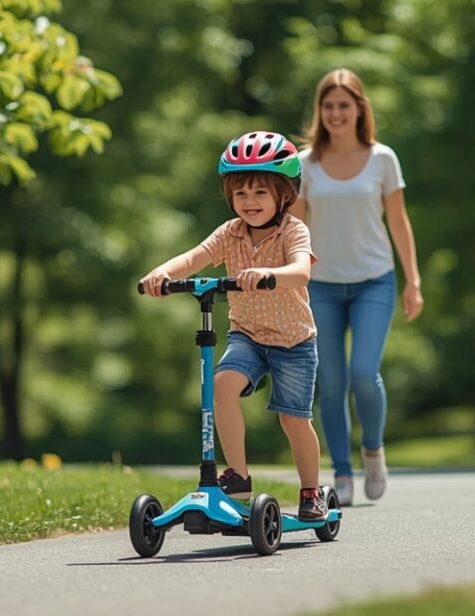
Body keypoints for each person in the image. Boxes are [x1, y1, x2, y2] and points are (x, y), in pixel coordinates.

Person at [139, 130, 327, 521]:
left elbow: (300, 271)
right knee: (221, 386)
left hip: (293, 341)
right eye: (240, 193)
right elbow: (194, 258)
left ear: (284, 194)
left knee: (293, 420)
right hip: (248, 335)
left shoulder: (293, 230)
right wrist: (162, 272)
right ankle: (238, 475)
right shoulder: (230, 233)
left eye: (260, 192)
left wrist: (269, 273)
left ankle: (311, 490)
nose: (249, 202)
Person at [291, 68, 424, 506]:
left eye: (344, 105)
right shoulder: (306, 164)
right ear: (320, 111)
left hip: (374, 281)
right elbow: (295, 227)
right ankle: (342, 474)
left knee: (364, 374)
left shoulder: (383, 158)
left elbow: (398, 222)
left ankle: (373, 449)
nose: (336, 114)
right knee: (330, 382)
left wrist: (413, 282)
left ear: (359, 109)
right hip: (322, 287)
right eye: (328, 106)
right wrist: (286, 279)